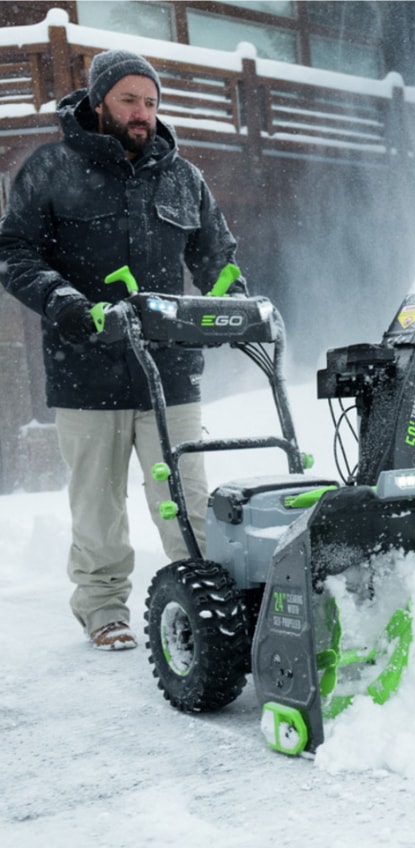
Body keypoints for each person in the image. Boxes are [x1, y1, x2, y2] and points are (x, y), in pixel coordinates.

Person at [0, 50, 247, 651]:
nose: (143, 113)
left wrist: (232, 297)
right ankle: (104, 605)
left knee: (186, 498)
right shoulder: (51, 168)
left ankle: (201, 600)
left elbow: (215, 255)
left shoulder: (182, 176)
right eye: (130, 100)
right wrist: (67, 303)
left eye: (152, 102)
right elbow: (14, 253)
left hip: (170, 366)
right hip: (86, 368)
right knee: (99, 504)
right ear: (99, 102)